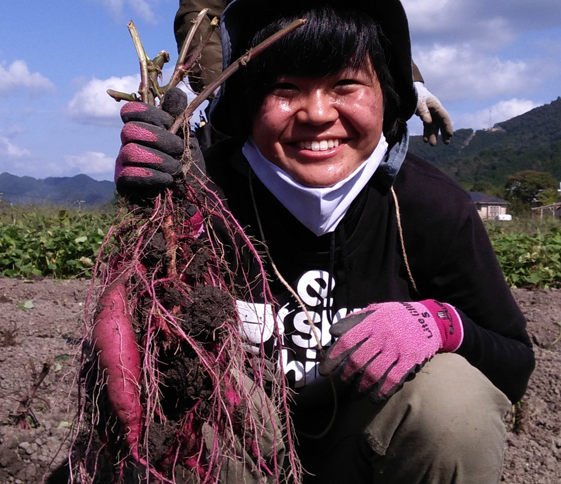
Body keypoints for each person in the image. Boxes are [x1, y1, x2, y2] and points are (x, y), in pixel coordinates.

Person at [114, 0, 535, 482]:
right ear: (247, 99)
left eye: (346, 86)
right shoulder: (207, 193)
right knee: (175, 387)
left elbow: (514, 364)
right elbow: (136, 345)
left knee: (454, 401)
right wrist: (154, 210)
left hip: (366, 453)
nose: (317, 114)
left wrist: (443, 326)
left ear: (387, 96)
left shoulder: (428, 205)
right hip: (244, 453)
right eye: (285, 89)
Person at [174, 0, 454, 147]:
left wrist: (409, 81)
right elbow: (199, 18)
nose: (318, 114)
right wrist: (224, 88)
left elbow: (367, 22)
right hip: (258, 80)